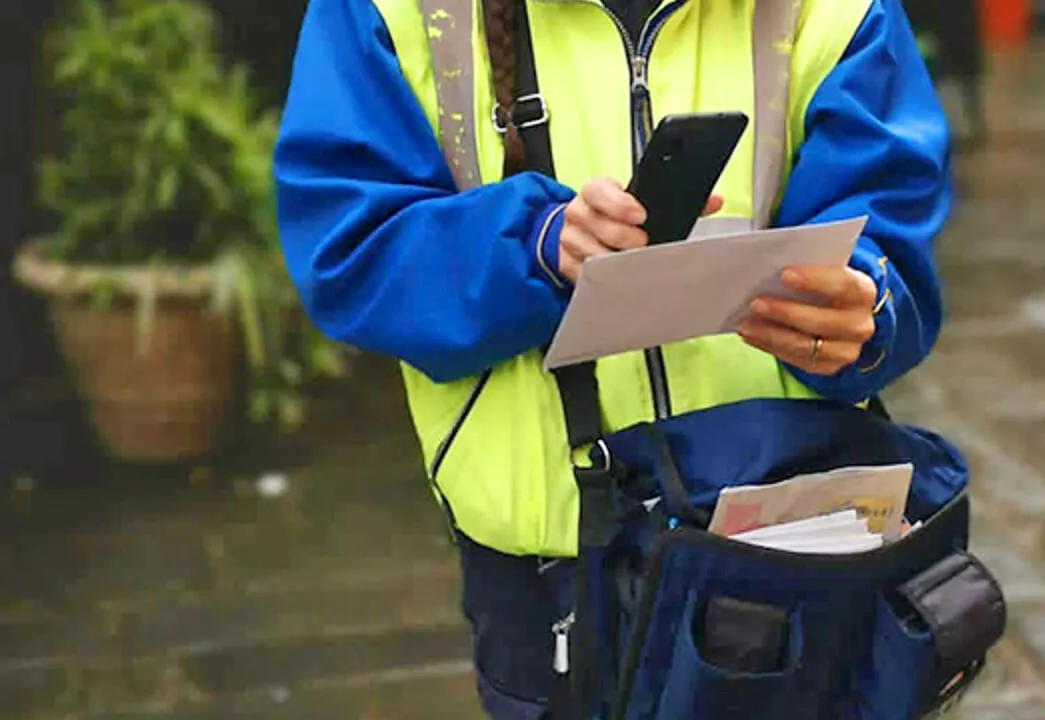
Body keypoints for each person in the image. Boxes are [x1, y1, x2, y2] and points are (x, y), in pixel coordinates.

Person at [273, 0, 951, 715]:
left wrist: (862, 308)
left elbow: (890, 233)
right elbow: (350, 248)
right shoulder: (393, 11)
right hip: (549, 562)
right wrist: (533, 244)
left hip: (789, 532)